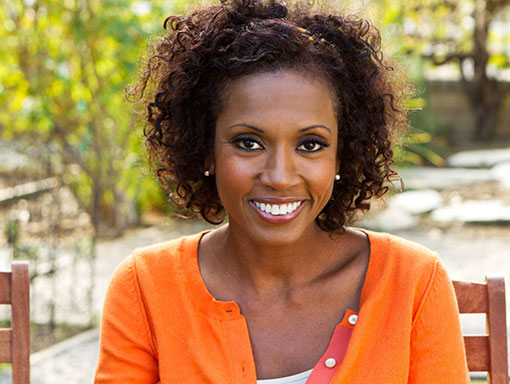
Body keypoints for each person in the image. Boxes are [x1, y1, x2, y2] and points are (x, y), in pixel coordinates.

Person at [94, 1, 469, 383]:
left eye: (310, 145)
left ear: (342, 155)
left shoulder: (412, 282)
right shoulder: (146, 286)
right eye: (248, 143)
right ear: (206, 150)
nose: (280, 177)